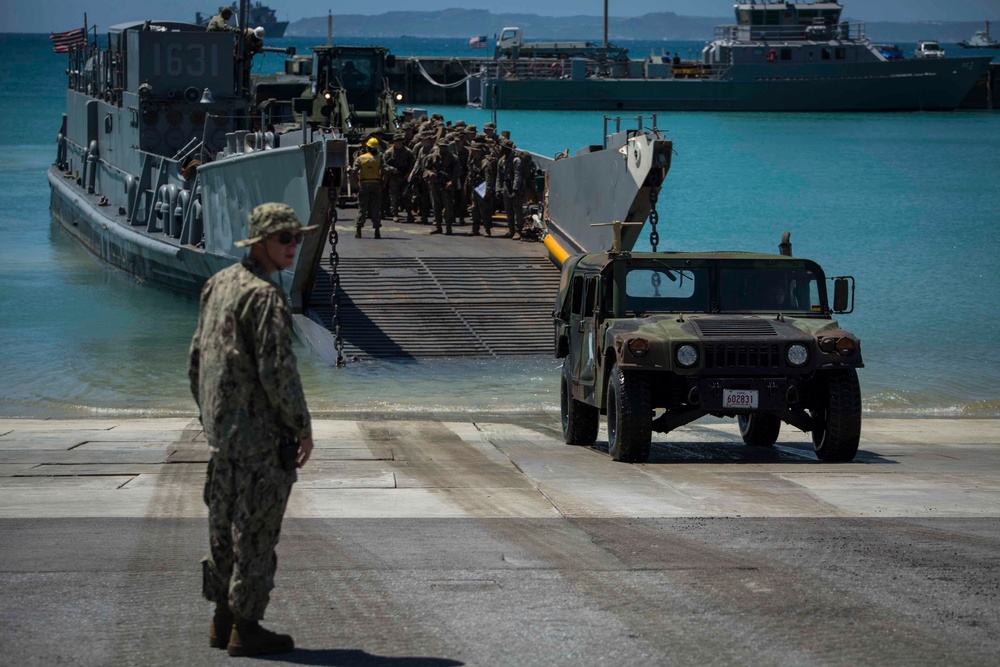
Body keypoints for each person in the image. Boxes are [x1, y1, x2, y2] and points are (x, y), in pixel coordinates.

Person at [188, 202, 316, 657]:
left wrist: (212, 417)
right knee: (256, 531)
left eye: (296, 238)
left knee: (222, 528)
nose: (292, 246)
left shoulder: (217, 284)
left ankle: (221, 619)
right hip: (261, 436)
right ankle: (247, 626)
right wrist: (301, 427)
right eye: (284, 238)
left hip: (224, 434)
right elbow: (278, 370)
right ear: (261, 242)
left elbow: (196, 360)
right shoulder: (264, 296)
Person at [352, 137, 383, 239]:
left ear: (367, 147)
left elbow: (354, 172)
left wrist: (357, 184)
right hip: (376, 184)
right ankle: (377, 231)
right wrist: (383, 183)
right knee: (376, 207)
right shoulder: (379, 158)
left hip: (364, 184)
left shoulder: (361, 158)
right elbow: (386, 170)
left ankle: (358, 230)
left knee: (362, 207)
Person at [495, 139, 524, 239]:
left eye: (502, 148)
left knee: (517, 209)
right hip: (506, 187)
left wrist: (515, 189)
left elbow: (517, 176)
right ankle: (511, 229)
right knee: (508, 209)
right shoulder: (501, 161)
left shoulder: (516, 160)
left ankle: (518, 230)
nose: (500, 149)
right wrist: (498, 189)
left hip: (515, 188)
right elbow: (499, 176)